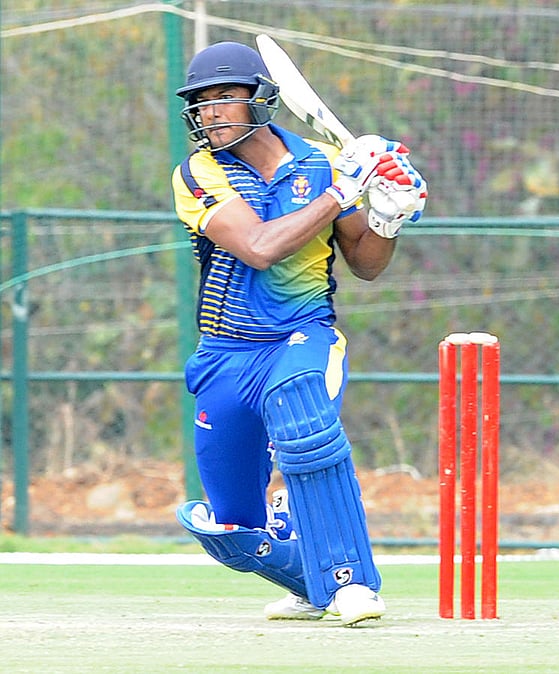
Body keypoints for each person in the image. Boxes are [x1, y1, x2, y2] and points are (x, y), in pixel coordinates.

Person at [170, 41, 427, 627]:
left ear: (261, 99)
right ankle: (311, 575)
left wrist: (387, 215)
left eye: (224, 98)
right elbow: (258, 248)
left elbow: (365, 262)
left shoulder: (322, 162)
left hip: (302, 335)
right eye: (201, 102)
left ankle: (351, 582)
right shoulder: (198, 172)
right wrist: (344, 190)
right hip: (225, 354)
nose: (210, 112)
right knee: (231, 529)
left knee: (302, 416)